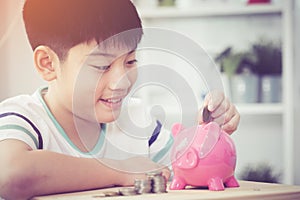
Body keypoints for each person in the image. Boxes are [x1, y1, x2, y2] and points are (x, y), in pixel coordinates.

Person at [0, 0, 240, 199]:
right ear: (48, 64)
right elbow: (8, 175)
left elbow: (186, 174)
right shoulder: (22, 117)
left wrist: (206, 138)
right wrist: (118, 170)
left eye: (130, 61)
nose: (122, 82)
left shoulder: (138, 121)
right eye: (102, 65)